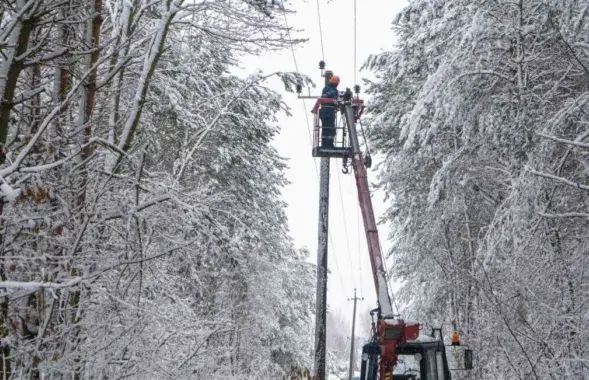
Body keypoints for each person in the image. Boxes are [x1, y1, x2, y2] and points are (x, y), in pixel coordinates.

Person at [319, 75, 340, 148]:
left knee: (328, 128)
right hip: (327, 111)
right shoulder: (329, 89)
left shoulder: (331, 89)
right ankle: (327, 145)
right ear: (335, 83)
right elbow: (327, 95)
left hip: (327, 111)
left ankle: (327, 144)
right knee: (329, 128)